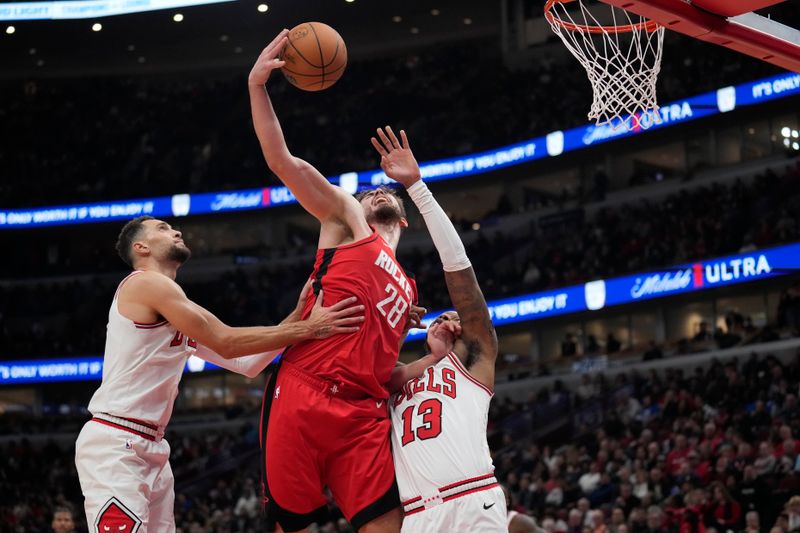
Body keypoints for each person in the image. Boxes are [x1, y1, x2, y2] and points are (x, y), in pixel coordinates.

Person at [75, 216, 364, 532]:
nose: (176, 230)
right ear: (140, 247)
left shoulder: (174, 303)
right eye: (162, 228)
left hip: (152, 445)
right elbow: (226, 342)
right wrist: (308, 327)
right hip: (116, 440)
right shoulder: (144, 283)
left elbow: (245, 363)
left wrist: (297, 318)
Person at [248, 31, 430, 532]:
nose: (374, 191)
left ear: (405, 220)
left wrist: (434, 353)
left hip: (362, 414)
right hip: (305, 395)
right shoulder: (345, 216)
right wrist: (257, 87)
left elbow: (387, 372)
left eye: (381, 190)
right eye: (369, 189)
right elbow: (281, 160)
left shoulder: (409, 289)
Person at [369, 127, 505, 530]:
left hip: (472, 499)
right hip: (417, 517)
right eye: (440, 316)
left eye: (455, 318)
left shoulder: (474, 363)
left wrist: (417, 189)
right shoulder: (397, 376)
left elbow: (462, 280)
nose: (448, 318)